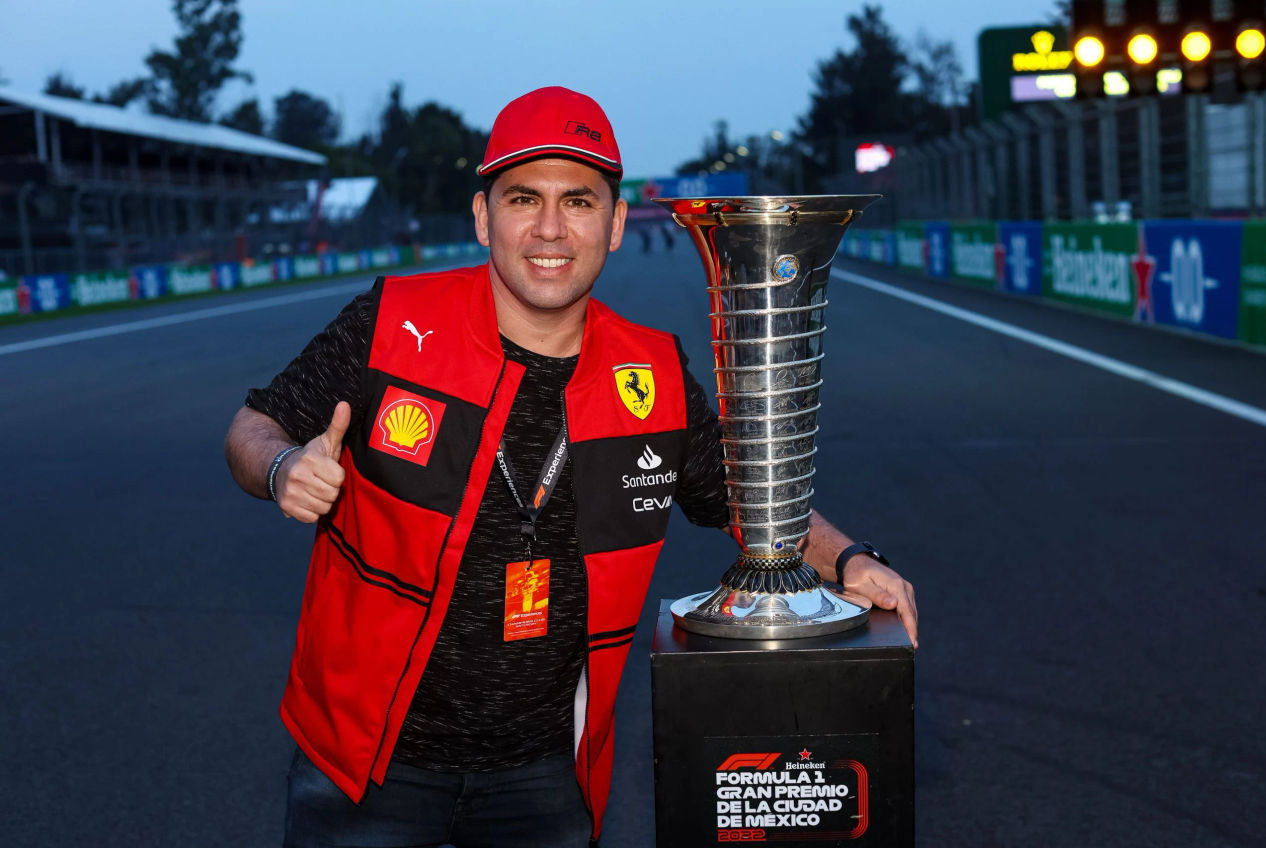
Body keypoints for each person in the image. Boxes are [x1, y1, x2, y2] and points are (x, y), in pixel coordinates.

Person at [224, 86, 917, 848]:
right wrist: (282, 465)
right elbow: (255, 424)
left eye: (579, 202)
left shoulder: (651, 369)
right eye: (524, 198)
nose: (550, 228)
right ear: (485, 215)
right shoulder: (389, 321)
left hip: (548, 779)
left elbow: (740, 494)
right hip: (363, 769)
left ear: (616, 224)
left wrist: (848, 556)